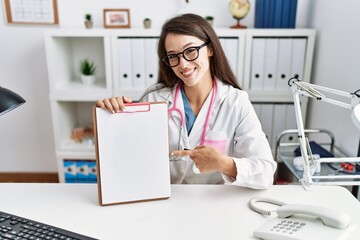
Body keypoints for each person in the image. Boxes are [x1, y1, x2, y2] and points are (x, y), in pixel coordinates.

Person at [96, 13, 276, 189]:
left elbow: (265, 173)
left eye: (190, 51)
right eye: (173, 56)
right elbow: (124, 156)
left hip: (214, 204)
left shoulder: (236, 102)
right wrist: (110, 116)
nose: (182, 64)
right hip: (164, 199)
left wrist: (224, 163)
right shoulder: (154, 99)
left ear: (210, 49)